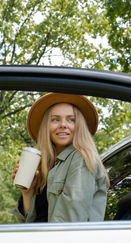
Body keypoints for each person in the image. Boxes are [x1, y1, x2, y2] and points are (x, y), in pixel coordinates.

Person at [10, 93, 108, 223]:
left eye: (71, 119)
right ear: (46, 126)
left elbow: (69, 225)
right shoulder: (47, 166)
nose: (63, 125)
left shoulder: (82, 159)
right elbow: (30, 225)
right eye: (55, 119)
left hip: (60, 242)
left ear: (79, 126)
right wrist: (27, 192)